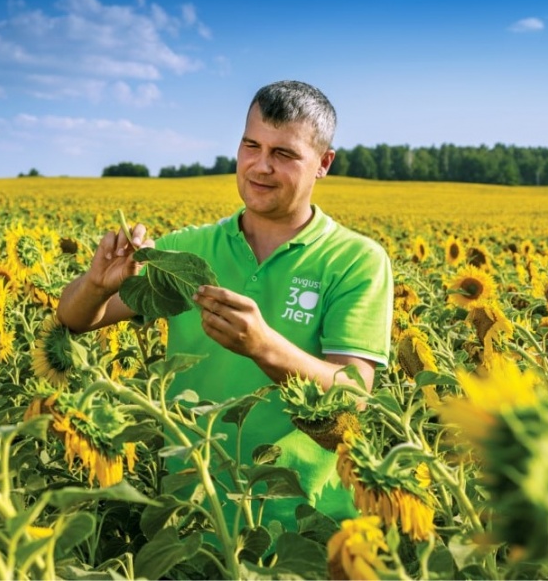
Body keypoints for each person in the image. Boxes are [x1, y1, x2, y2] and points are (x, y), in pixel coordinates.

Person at [57, 79, 393, 528]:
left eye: (284, 154)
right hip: (195, 511)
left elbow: (353, 397)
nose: (261, 166)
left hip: (305, 519)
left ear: (323, 163)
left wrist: (263, 346)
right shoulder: (188, 250)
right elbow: (75, 320)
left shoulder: (355, 260)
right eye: (251, 145)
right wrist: (97, 285)